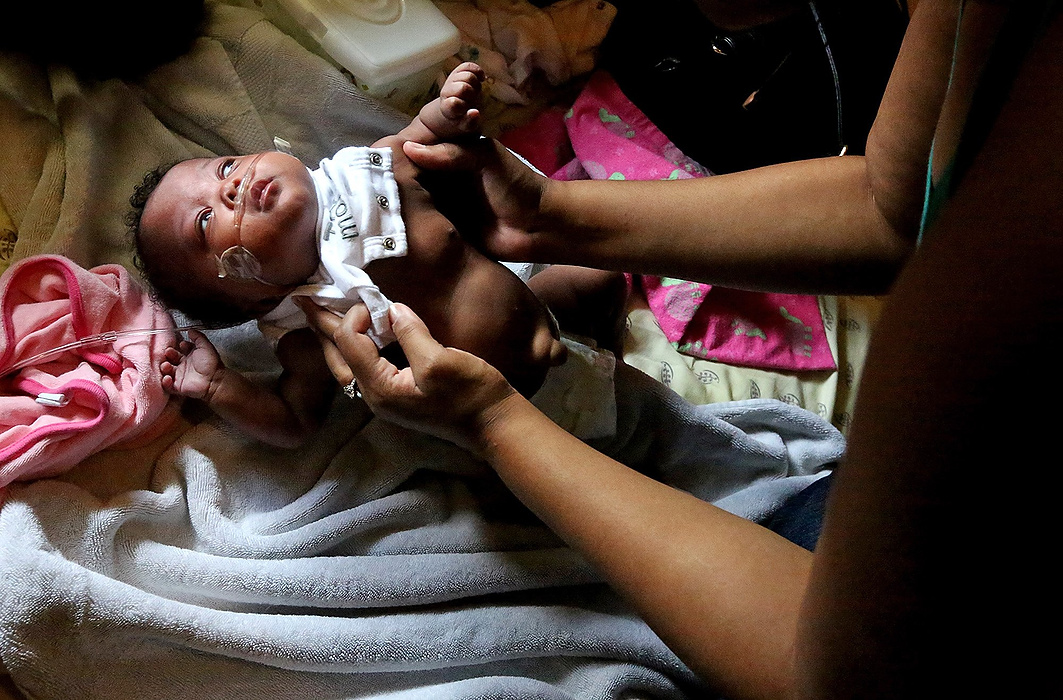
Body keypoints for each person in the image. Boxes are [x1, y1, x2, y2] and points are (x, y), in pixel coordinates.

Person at [304, 1, 1063, 697]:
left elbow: (835, 674)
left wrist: (492, 422)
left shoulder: (1009, 262)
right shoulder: (972, 27)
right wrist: (546, 213)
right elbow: (895, 209)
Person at [127, 61, 623, 448]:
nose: (231, 188)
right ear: (255, 300)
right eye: (205, 221)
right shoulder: (306, 318)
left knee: (600, 277)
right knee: (619, 451)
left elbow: (417, 139)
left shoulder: (362, 173)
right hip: (507, 413)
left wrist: (445, 110)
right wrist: (219, 388)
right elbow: (296, 421)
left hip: (543, 308)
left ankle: (610, 342)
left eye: (224, 168)